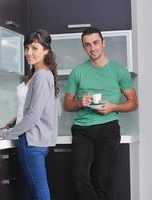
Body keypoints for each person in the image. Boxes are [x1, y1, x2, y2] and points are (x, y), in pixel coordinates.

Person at [63, 27, 138, 200]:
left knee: (103, 180)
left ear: (103, 43)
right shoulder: (78, 72)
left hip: (108, 128)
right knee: (79, 176)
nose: (92, 48)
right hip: (82, 130)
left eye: (95, 43)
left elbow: (133, 103)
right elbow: (67, 104)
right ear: (83, 47)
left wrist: (113, 107)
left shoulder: (119, 70)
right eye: (87, 45)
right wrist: (80, 103)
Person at [0, 29, 60, 200]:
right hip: (33, 140)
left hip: (31, 142)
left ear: (46, 50)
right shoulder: (37, 74)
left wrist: (6, 133)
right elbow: (36, 108)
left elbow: (33, 116)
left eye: (34, 48)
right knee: (27, 193)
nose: (29, 53)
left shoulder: (42, 76)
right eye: (27, 48)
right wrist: (14, 121)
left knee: (40, 194)